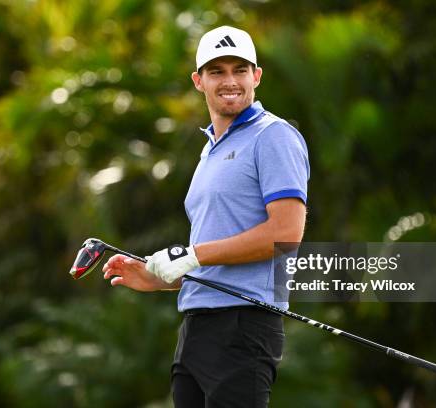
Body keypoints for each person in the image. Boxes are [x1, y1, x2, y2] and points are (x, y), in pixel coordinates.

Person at [102, 25, 309, 408]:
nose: (229, 81)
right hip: (196, 328)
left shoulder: (273, 136)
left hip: (244, 325)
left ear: (256, 76)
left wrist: (193, 254)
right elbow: (218, 254)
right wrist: (157, 276)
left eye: (239, 70)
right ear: (199, 81)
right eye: (217, 71)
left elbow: (286, 233)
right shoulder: (209, 152)